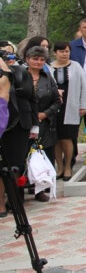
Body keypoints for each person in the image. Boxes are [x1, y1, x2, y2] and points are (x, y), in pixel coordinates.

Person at [0, 56, 38, 215]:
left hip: (20, 125)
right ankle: (1, 202)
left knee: (16, 165)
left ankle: (15, 199)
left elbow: (32, 99)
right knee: (1, 167)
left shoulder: (21, 72)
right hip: (3, 126)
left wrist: (35, 125)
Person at [49, 42, 86, 181]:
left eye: (67, 51)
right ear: (55, 53)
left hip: (71, 106)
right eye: (61, 51)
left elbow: (84, 86)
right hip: (53, 107)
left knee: (67, 137)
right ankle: (59, 166)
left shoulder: (76, 66)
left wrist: (83, 105)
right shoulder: (48, 67)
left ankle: (67, 166)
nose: (65, 54)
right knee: (56, 139)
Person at [25, 46, 60, 201]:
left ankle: (41, 189)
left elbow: (57, 101)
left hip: (44, 123)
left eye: (41, 59)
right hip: (23, 122)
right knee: (23, 155)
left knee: (43, 154)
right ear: (27, 59)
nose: (38, 62)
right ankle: (20, 190)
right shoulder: (19, 76)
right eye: (35, 59)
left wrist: (45, 114)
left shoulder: (47, 77)